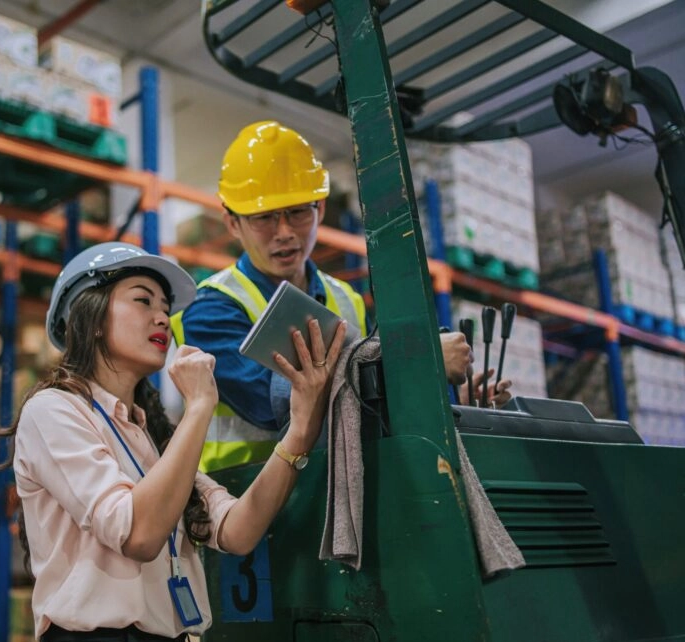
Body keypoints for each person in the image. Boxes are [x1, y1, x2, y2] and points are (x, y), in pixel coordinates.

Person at [0, 242, 347, 642]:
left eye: (165, 307)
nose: (162, 317)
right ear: (89, 318)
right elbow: (140, 535)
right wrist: (199, 406)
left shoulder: (153, 435)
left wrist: (299, 432)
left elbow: (237, 530)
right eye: (142, 301)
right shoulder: (53, 411)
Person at [172, 120, 511, 472]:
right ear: (232, 223)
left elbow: (367, 407)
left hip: (333, 491)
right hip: (241, 501)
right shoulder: (209, 308)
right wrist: (416, 361)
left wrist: (446, 398)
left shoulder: (345, 298)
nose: (285, 232)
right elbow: (271, 402)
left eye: (298, 212)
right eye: (265, 218)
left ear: (319, 210)